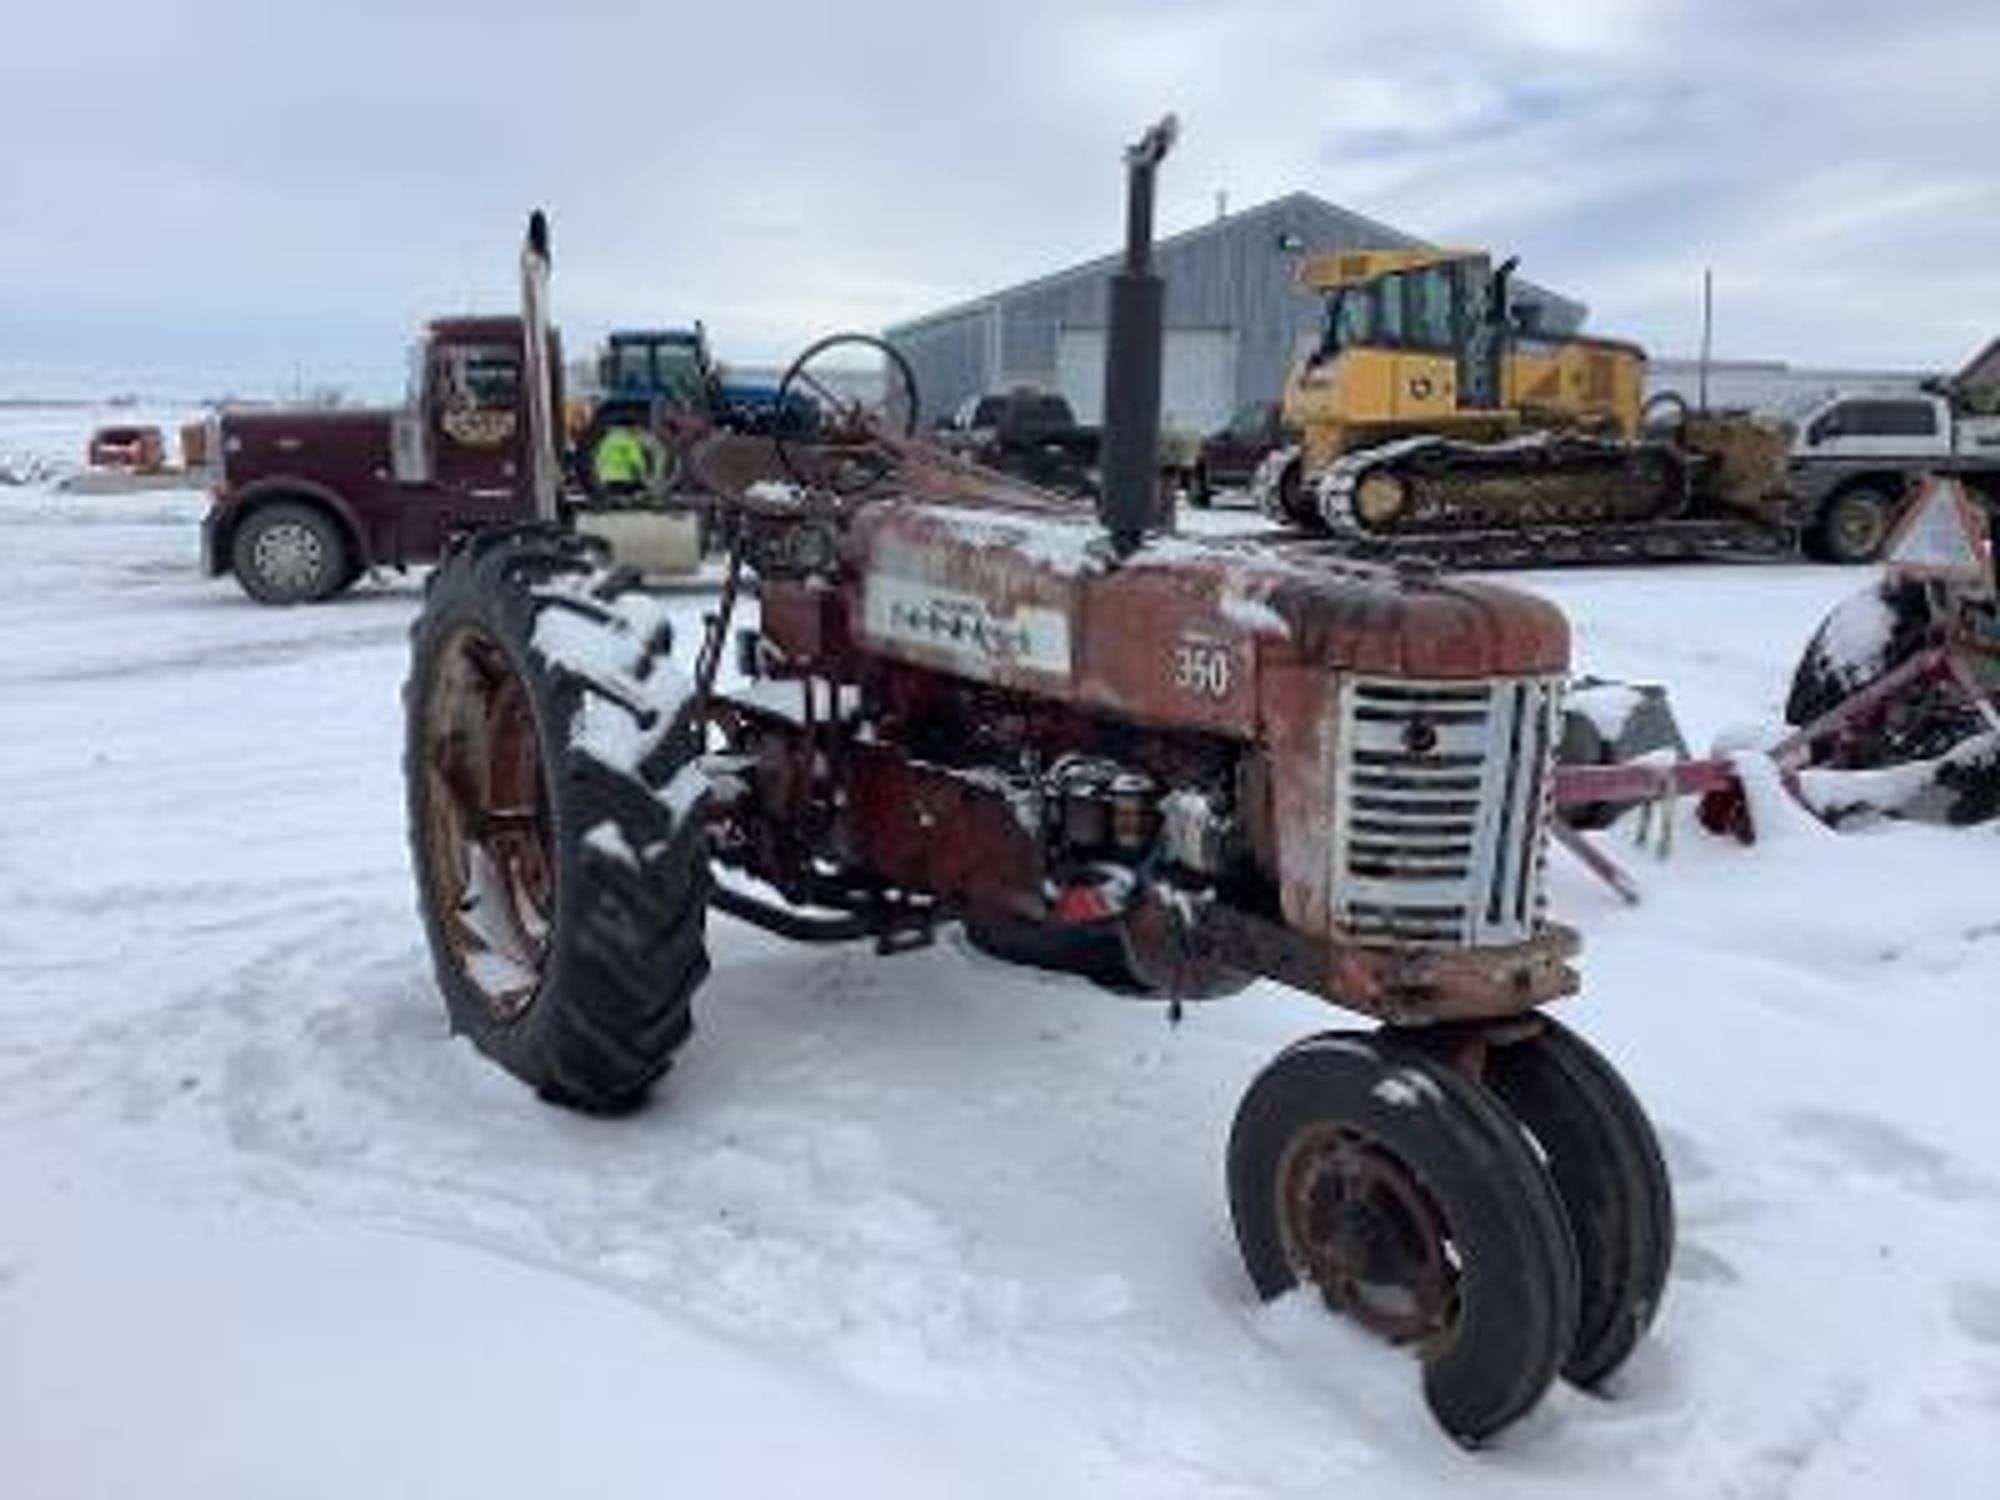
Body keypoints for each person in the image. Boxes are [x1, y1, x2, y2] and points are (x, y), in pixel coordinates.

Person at [592, 422, 653, 499]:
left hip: (607, 480)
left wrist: (600, 476)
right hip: (626, 480)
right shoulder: (630, 441)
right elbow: (636, 461)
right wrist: (643, 475)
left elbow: (599, 460)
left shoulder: (606, 441)